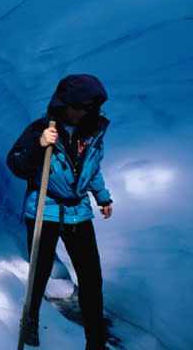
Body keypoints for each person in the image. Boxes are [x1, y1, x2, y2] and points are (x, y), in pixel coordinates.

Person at [7, 74, 113, 350]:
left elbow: (92, 167)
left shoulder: (93, 131)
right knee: (39, 273)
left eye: (88, 107)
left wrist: (102, 197)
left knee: (91, 278)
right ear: (63, 103)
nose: (82, 112)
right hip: (45, 209)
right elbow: (16, 165)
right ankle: (30, 320)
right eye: (78, 106)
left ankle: (96, 341)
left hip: (78, 211)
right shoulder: (39, 130)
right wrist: (38, 145)